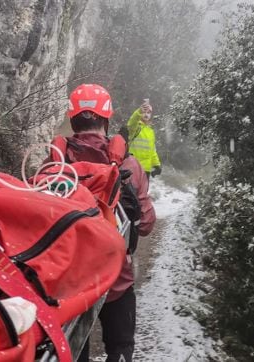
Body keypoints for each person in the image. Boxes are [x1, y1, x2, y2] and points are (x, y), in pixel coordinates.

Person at [58, 84, 156, 362]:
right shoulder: (129, 164)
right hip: (117, 279)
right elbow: (147, 223)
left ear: (73, 118)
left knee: (76, 353)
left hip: (70, 285)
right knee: (121, 348)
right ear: (106, 118)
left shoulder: (55, 161)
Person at [122, 100, 162, 178]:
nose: (146, 114)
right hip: (132, 167)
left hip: (146, 170)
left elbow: (152, 150)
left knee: (143, 190)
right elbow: (131, 123)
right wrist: (139, 111)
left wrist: (156, 165)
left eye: (148, 112)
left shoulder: (151, 131)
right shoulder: (136, 127)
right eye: (144, 112)